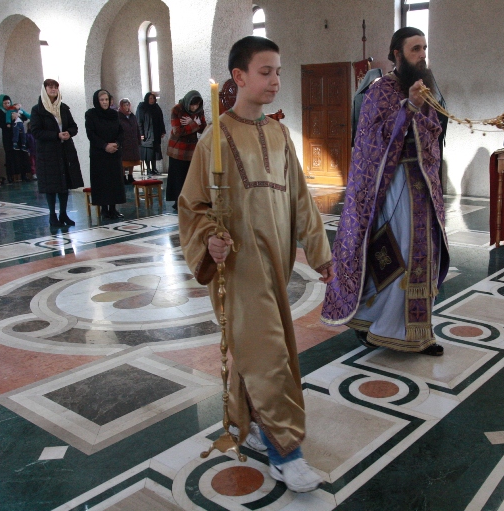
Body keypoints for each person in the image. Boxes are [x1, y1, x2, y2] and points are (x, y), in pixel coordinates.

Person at [178, 36, 333, 493]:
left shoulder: (280, 135)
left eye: (278, 71)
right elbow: (193, 207)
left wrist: (322, 254)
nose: (275, 80)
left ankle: (253, 426)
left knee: (259, 351)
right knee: (268, 356)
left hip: (277, 266)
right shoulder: (215, 138)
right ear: (239, 76)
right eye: (265, 72)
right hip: (240, 268)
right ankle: (287, 454)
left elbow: (301, 201)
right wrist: (210, 240)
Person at [321, 27, 450, 356]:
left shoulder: (426, 88)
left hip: (423, 185)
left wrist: (421, 111)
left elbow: (434, 132)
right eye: (415, 49)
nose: (422, 55)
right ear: (397, 54)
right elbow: (371, 138)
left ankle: (419, 332)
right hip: (392, 185)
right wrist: (409, 108)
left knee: (426, 256)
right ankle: (379, 324)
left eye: (424, 48)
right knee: (396, 255)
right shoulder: (381, 89)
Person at [29, 78, 83, 227]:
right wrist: (56, 135)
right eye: (50, 87)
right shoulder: (37, 110)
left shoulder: (63, 108)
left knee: (64, 184)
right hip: (48, 153)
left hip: (64, 151)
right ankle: (52, 215)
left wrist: (68, 133)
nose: (53, 89)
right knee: (51, 186)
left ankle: (64, 214)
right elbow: (36, 131)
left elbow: (74, 126)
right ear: (45, 89)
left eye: (55, 87)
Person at [86, 89, 126, 220]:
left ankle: (113, 209)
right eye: (102, 100)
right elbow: (91, 134)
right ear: (97, 101)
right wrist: (105, 146)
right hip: (99, 154)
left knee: (114, 181)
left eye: (107, 99)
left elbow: (121, 131)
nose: (105, 102)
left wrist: (117, 144)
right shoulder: (91, 114)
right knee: (102, 182)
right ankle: (104, 209)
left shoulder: (114, 114)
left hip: (114, 152)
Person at [166, 90, 206, 210]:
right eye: (192, 105)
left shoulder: (199, 110)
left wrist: (192, 124)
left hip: (192, 149)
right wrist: (194, 124)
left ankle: (190, 200)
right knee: (178, 176)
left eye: (197, 105)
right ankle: (178, 201)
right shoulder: (177, 110)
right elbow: (178, 132)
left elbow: (204, 128)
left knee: (190, 176)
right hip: (178, 149)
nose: (194, 108)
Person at [0, 94, 30, 183]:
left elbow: (25, 117)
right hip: (8, 137)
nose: (7, 105)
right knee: (10, 156)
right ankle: (10, 176)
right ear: (1, 104)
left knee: (21, 154)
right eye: (4, 103)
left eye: (8, 103)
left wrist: (18, 115)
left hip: (19, 135)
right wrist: (11, 119)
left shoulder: (14, 109)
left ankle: (24, 175)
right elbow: (1, 124)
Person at [136, 92, 166, 175]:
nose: (152, 100)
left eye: (153, 98)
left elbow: (161, 119)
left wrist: (162, 131)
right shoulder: (142, 107)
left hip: (155, 133)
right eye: (150, 98)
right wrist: (141, 133)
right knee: (147, 152)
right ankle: (148, 169)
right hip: (146, 133)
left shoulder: (156, 107)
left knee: (154, 151)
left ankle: (154, 168)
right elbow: (139, 121)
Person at [118, 98, 141, 184]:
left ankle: (130, 175)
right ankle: (123, 176)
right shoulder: (118, 116)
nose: (126, 107)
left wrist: (138, 139)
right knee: (124, 161)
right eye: (124, 105)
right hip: (124, 142)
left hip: (133, 141)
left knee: (132, 160)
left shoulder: (132, 116)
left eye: (127, 105)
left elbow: (137, 128)